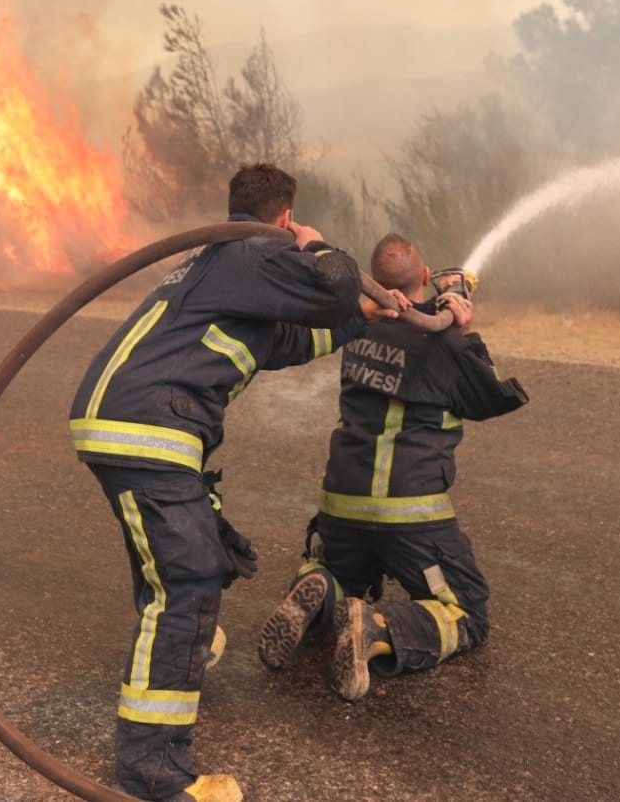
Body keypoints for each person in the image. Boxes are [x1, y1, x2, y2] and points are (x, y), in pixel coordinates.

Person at [71, 163, 374, 802]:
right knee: (185, 580)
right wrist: (317, 247)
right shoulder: (253, 252)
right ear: (285, 216)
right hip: (146, 428)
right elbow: (334, 286)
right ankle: (154, 769)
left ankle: (189, 646)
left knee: (182, 561)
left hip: (134, 423)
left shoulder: (225, 262)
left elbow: (287, 338)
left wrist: (363, 319)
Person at [256, 232, 528, 703]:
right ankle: (376, 628)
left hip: (340, 507)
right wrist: (465, 333)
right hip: (410, 516)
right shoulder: (444, 342)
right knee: (468, 611)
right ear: (425, 278)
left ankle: (322, 588)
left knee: (347, 573)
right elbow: (490, 399)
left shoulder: (358, 329)